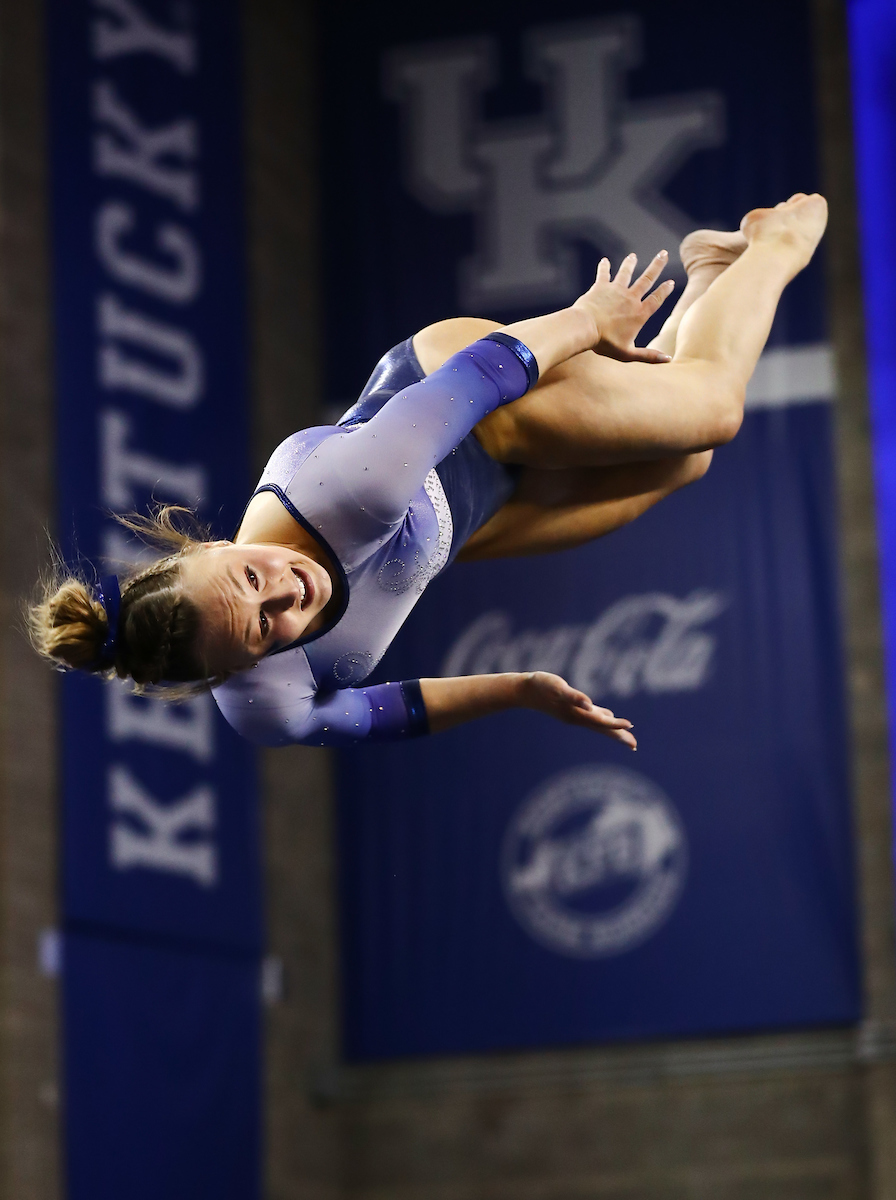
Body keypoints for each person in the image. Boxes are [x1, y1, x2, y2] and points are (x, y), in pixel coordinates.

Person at [29, 194, 828, 751]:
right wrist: (520, 690)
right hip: (460, 523)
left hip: (467, 404)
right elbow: (390, 714)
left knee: (713, 409)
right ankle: (713, 269)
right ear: (233, 676)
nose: (287, 594)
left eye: (248, 579)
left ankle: (779, 239)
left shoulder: (349, 485)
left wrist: (591, 321)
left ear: (206, 548)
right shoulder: (265, 707)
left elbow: (485, 375)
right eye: (262, 630)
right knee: (686, 460)